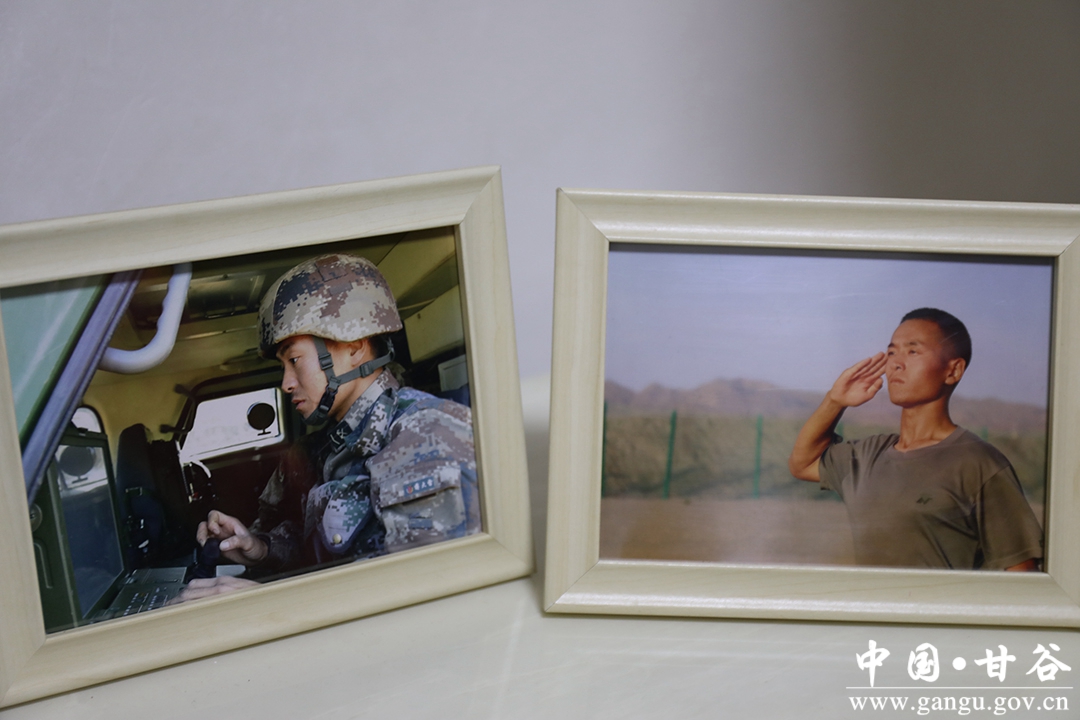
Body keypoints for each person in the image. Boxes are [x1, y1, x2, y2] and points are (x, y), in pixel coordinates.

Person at [176, 253, 480, 601]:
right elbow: (325, 549)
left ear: (354, 349)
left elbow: (421, 595)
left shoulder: (426, 435)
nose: (286, 383)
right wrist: (260, 548)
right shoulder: (332, 445)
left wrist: (267, 602)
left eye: (294, 360)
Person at [787, 308, 1043, 571]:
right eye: (891, 352)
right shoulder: (868, 455)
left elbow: (1021, 574)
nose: (896, 363)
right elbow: (803, 464)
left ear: (953, 370)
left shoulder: (979, 463)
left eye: (913, 351)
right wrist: (834, 401)